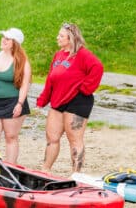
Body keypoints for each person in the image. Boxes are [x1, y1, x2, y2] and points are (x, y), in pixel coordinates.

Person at [36, 22, 104, 173]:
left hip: (78, 101)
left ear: (70, 38)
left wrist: (85, 88)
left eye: (61, 36)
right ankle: (45, 169)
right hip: (58, 99)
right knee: (52, 137)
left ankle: (76, 174)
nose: (57, 38)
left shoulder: (82, 54)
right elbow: (50, 79)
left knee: (74, 139)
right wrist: (43, 99)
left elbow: (97, 68)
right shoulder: (59, 55)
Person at [0, 28, 32, 164]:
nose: (3, 40)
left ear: (15, 43)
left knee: (11, 137)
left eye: (7, 39)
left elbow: (25, 84)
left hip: (13, 102)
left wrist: (20, 103)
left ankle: (11, 167)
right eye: (3, 37)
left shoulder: (22, 61)